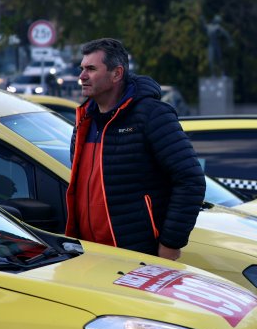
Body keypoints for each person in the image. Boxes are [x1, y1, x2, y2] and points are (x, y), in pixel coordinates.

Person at [65, 38, 205, 261]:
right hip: (90, 256)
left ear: (117, 74)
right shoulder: (84, 120)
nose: (81, 77)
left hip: (138, 258)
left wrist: (170, 244)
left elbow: (191, 179)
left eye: (91, 69)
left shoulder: (151, 115)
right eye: (82, 69)